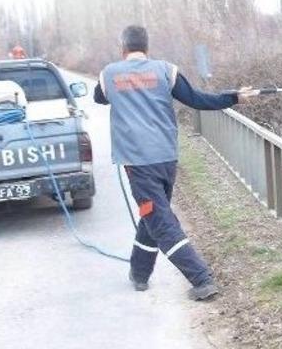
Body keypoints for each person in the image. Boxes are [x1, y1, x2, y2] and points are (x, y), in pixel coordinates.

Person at [94, 25, 256, 300]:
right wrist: (234, 97)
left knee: (159, 220)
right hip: (166, 158)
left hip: (138, 163)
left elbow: (99, 98)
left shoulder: (109, 74)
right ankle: (139, 273)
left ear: (123, 47)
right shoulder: (165, 71)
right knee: (154, 216)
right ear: (147, 47)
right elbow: (198, 100)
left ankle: (201, 278)